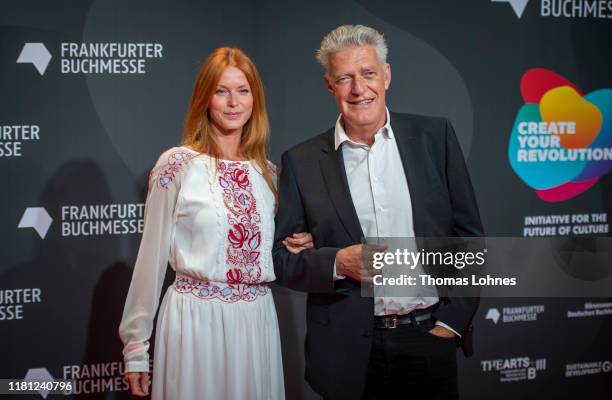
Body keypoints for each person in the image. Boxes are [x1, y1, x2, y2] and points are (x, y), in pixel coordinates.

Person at [273, 25, 484, 399]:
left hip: (428, 337)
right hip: (347, 352)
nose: (358, 89)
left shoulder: (434, 139)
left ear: (386, 75)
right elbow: (282, 261)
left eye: (368, 73)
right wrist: (337, 261)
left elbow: (469, 237)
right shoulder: (301, 162)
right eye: (344, 79)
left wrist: (451, 322)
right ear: (329, 86)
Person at [119, 47, 312, 400]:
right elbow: (150, 260)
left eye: (243, 91)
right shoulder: (176, 165)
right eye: (221, 91)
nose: (233, 102)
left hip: (256, 323)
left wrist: (301, 244)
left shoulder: (269, 174)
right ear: (204, 98)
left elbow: (273, 249)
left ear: (256, 98)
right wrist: (136, 347)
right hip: (194, 323)